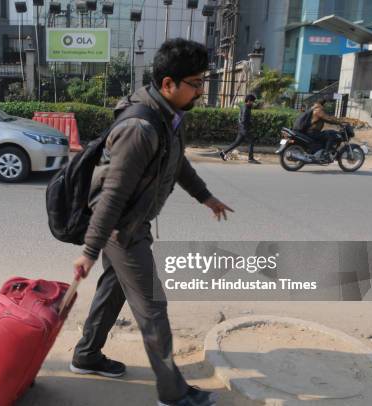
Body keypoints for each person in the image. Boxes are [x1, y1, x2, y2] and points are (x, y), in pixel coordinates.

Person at [69, 39, 233, 406]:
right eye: (195, 82)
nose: (200, 89)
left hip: (129, 223)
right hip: (122, 229)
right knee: (153, 310)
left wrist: (205, 197)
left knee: (114, 290)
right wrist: (89, 251)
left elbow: (176, 163)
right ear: (168, 84)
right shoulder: (141, 128)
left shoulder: (168, 117)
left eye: (202, 80)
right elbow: (112, 194)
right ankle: (173, 394)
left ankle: (86, 355)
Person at [219, 94, 260, 164]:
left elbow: (240, 118)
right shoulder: (246, 108)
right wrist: (249, 123)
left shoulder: (244, 106)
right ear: (249, 101)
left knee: (237, 143)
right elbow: (243, 119)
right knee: (251, 141)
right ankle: (250, 158)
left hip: (241, 128)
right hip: (244, 128)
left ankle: (223, 152)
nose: (253, 103)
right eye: (252, 101)